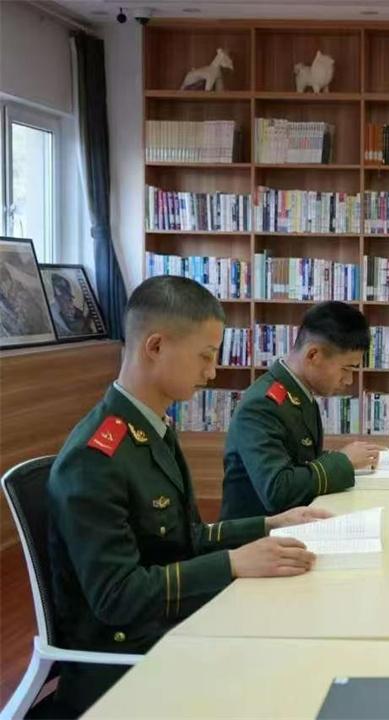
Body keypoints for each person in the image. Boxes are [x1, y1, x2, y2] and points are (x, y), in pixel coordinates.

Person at [47, 276, 329, 715]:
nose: (211, 372)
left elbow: (186, 537)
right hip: (127, 659)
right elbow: (118, 597)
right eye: (205, 355)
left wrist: (268, 524)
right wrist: (233, 563)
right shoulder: (94, 458)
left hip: (170, 623)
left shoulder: (150, 429)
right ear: (156, 346)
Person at [220, 301, 382, 520]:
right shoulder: (261, 404)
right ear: (313, 355)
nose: (349, 380)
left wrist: (350, 457)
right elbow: (277, 490)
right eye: (346, 368)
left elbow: (300, 460)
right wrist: (343, 462)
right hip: (259, 536)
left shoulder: (298, 393)